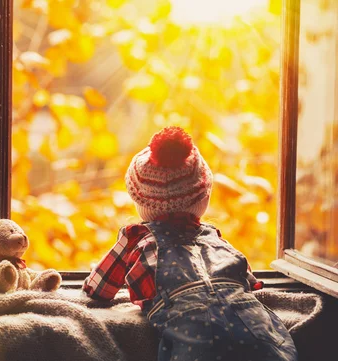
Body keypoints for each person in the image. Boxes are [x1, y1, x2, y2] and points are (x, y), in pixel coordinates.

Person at [83, 126, 297, 361]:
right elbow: (250, 283)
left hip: (198, 346)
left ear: (139, 201)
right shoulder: (215, 239)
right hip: (264, 337)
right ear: (204, 198)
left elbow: (97, 289)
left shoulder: (136, 238)